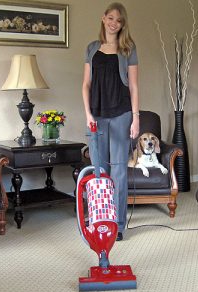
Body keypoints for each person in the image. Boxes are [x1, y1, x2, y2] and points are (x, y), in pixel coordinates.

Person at [82, 2, 139, 241]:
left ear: (122, 24)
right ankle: (99, 219)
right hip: (97, 116)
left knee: (119, 172)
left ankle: (118, 226)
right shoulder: (92, 48)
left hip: (122, 115)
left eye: (119, 20)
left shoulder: (128, 49)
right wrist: (87, 114)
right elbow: (86, 84)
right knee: (99, 170)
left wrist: (136, 118)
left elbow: (134, 86)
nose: (114, 23)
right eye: (111, 18)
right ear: (104, 18)